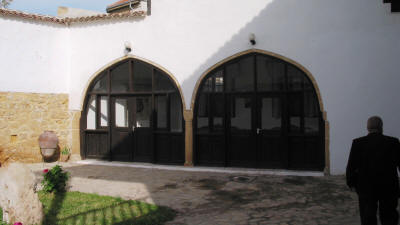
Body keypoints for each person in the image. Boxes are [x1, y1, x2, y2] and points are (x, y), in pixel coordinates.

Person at [346, 116, 400, 225]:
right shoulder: (393, 142)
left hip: (366, 187)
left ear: (368, 128)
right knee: (389, 216)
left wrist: (351, 183)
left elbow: (351, 166)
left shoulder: (358, 143)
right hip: (388, 186)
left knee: (368, 217)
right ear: (381, 127)